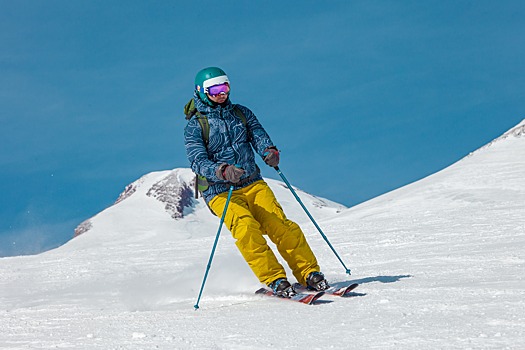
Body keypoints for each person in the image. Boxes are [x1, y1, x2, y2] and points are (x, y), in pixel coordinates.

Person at [184, 67, 329, 297]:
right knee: (246, 228)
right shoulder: (195, 126)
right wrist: (222, 171)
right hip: (220, 191)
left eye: (226, 87)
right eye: (216, 89)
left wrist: (268, 151)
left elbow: (258, 135)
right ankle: (275, 279)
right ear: (202, 92)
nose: (222, 93)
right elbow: (197, 161)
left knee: (280, 224)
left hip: (252, 182)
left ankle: (309, 273)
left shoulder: (241, 113)